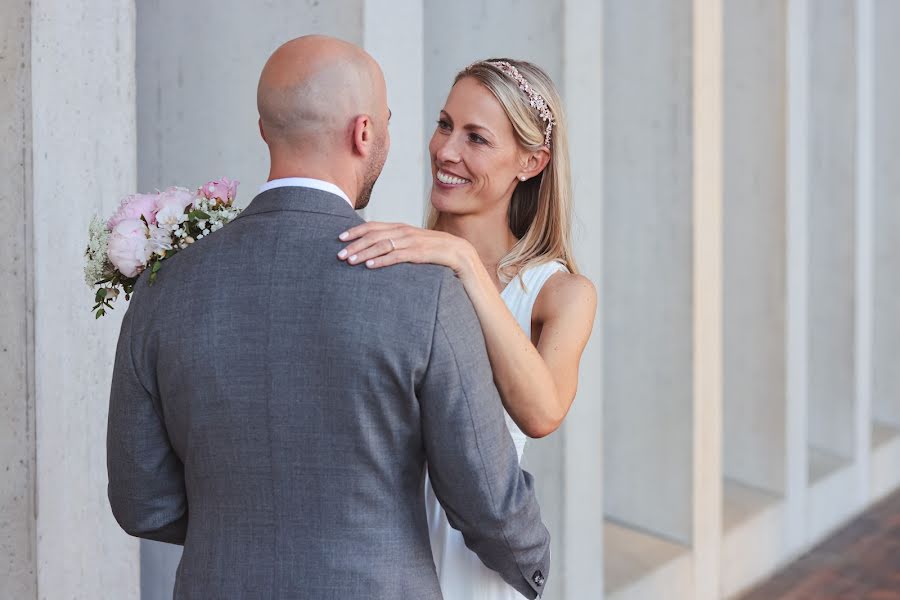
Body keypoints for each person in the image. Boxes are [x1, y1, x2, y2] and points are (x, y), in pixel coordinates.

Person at [106, 36, 550, 599]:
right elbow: (487, 499)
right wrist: (533, 563)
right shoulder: (424, 288)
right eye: (386, 123)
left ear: (266, 129)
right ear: (364, 133)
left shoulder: (162, 285)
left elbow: (141, 502)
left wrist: (245, 534)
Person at [336, 59, 597, 599]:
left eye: (476, 137)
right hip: (379, 555)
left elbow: (542, 411)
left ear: (531, 161)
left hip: (473, 564)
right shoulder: (401, 257)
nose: (446, 150)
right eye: (445, 124)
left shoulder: (561, 294)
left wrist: (465, 263)